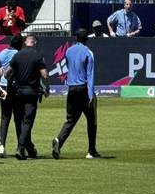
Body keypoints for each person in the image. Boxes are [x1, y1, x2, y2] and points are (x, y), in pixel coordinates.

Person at [51, 29, 100, 160]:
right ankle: (91, 150)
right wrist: (90, 95)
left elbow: (69, 67)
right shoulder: (88, 52)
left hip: (71, 88)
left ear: (76, 38)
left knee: (70, 119)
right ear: (86, 39)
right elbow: (90, 75)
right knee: (91, 120)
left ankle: (59, 140)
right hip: (83, 88)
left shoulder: (68, 51)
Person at [7, 35, 50, 160]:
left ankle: (29, 148)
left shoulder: (18, 55)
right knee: (28, 122)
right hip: (31, 92)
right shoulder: (38, 55)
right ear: (35, 42)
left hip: (18, 92)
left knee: (21, 121)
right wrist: (47, 88)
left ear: (26, 42)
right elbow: (45, 75)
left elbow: (7, 72)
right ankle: (21, 148)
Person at [0, 34, 24, 158]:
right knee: (18, 118)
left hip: (3, 87)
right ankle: (20, 145)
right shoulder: (18, 55)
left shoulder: (2, 53)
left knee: (4, 117)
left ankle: (2, 145)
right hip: (14, 87)